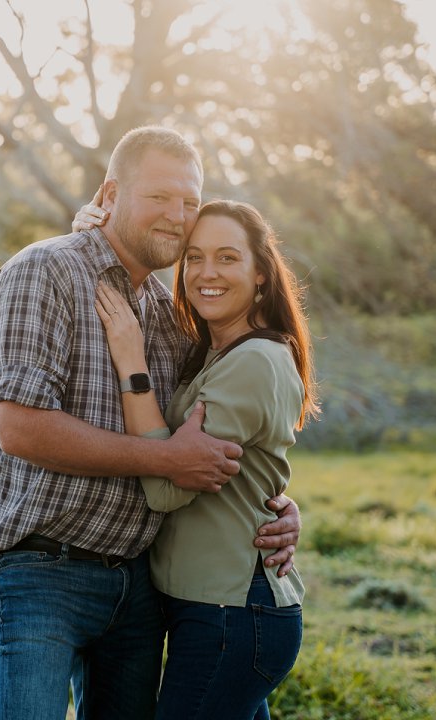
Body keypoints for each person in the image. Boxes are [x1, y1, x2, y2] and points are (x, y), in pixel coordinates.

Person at [0, 126, 302, 720]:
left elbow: (229, 428)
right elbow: (21, 428)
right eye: (159, 197)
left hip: (140, 584)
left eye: (189, 201)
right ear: (111, 193)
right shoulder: (44, 272)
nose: (178, 215)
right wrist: (164, 460)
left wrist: (275, 504)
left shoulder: (168, 315)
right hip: (42, 570)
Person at [91, 199, 320, 719]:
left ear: (261, 274)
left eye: (226, 257)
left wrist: (131, 360)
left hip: (232, 614)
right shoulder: (216, 352)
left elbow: (165, 489)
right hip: (214, 611)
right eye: (194, 257)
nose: (205, 272)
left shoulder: (254, 361)